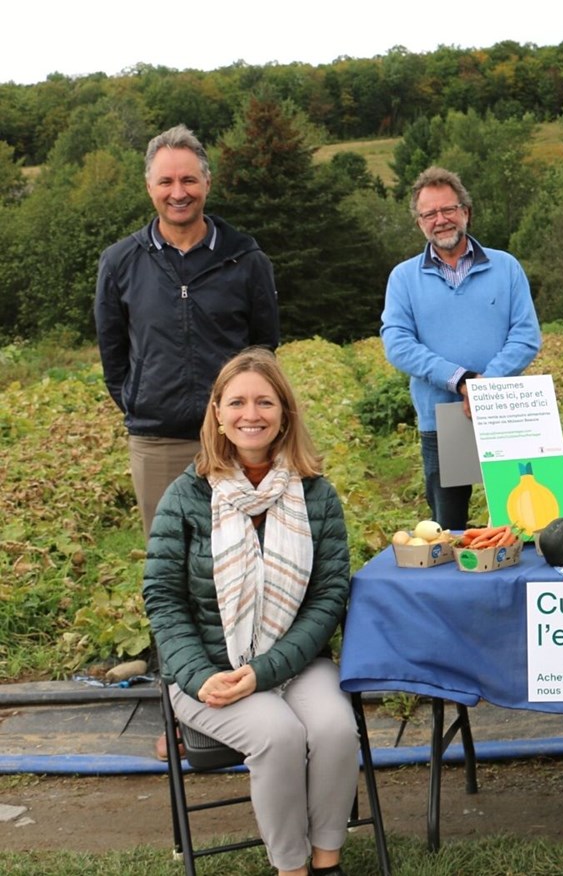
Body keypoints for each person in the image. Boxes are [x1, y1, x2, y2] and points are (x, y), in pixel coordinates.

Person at [144, 348, 356, 876]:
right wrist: (198, 676)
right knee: (278, 735)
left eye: (265, 401)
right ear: (217, 413)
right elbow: (164, 598)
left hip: (295, 661)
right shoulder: (186, 496)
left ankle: (327, 861)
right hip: (208, 671)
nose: (251, 414)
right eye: (236, 402)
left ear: (284, 412)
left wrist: (265, 670)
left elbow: (329, 596)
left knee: (334, 728)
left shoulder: (316, 495)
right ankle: (292, 869)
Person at [95, 124, 280, 537]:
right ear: (149, 187)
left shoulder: (246, 258)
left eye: (188, 180)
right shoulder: (120, 262)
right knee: (168, 559)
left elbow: (264, 347)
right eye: (166, 181)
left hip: (236, 437)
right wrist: (140, 400)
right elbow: (113, 352)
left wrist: (241, 414)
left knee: (244, 552)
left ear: (207, 183)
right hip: (157, 441)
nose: (178, 192)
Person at [381, 166, 542, 530]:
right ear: (420, 222)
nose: (441, 220)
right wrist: (460, 380)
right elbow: (397, 343)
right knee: (449, 525)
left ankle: (517, 587)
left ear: (465, 212)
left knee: (524, 516)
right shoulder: (404, 278)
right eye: (430, 214)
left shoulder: (506, 267)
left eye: (449, 209)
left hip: (507, 414)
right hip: (442, 419)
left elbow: (526, 335)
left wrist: (484, 386)